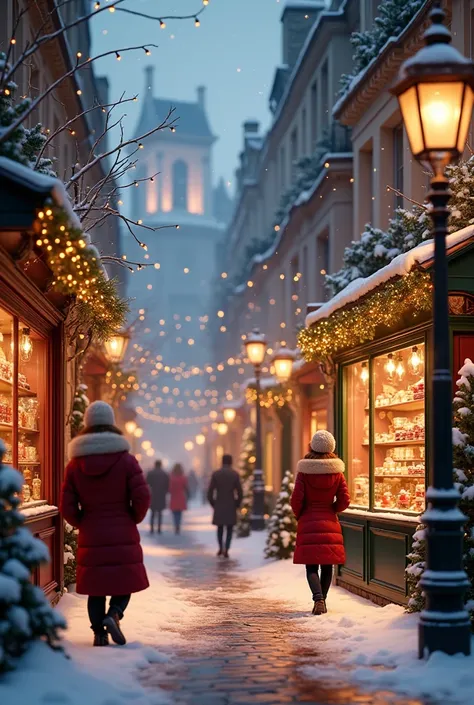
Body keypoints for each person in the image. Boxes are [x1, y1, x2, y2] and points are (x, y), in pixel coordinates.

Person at [61, 401, 150, 647]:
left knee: (95, 587)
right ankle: (115, 614)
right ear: (111, 423)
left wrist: (82, 521)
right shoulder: (126, 460)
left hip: (92, 531)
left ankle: (99, 634)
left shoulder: (75, 465)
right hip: (122, 528)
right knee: (125, 580)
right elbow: (142, 495)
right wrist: (132, 516)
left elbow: (67, 504)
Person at [290, 430, 350, 616]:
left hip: (309, 520)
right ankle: (322, 600)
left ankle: (318, 599)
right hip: (329, 519)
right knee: (327, 565)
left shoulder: (304, 472)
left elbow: (296, 499)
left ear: (312, 446)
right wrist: (332, 509)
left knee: (311, 566)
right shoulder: (337, 473)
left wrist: (300, 515)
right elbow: (345, 499)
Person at [207, 454, 243, 558]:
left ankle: (220, 547)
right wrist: (237, 503)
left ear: (222, 461)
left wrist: (213, 504)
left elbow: (210, 492)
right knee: (230, 528)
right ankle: (227, 549)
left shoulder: (216, 474)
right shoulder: (234, 474)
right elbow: (240, 492)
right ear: (231, 462)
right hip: (230, 504)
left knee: (220, 528)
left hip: (219, 503)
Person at [147, 459, 169, 534]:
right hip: (161, 495)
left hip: (153, 495)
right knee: (160, 513)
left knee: (152, 513)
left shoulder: (150, 473)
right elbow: (167, 485)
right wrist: (165, 492)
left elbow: (147, 483)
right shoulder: (164, 474)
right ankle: (159, 528)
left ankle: (152, 528)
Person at [169, 463, 188, 534]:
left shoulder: (172, 477)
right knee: (179, 513)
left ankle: (176, 524)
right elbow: (185, 486)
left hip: (174, 497)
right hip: (180, 496)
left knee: (174, 513)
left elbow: (170, 488)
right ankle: (178, 525)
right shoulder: (183, 477)